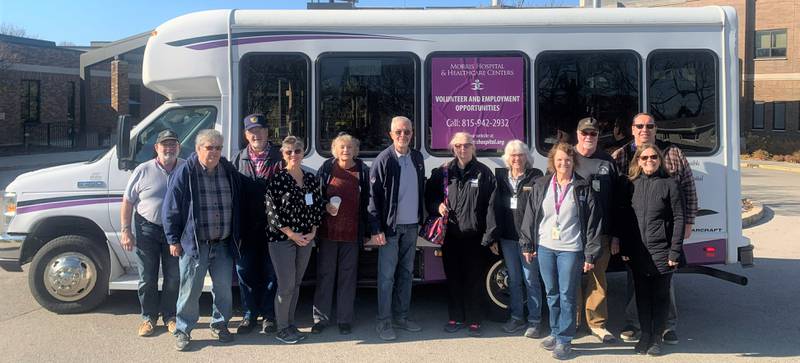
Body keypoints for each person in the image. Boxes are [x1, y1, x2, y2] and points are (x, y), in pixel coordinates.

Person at [612, 112, 697, 345]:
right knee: (634, 278)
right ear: (632, 129)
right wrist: (617, 235)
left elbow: (689, 188)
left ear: (656, 129)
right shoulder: (620, 156)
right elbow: (616, 200)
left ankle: (667, 326)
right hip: (636, 234)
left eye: (649, 126)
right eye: (639, 125)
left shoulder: (673, 154)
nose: (644, 130)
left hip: (665, 234)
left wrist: (688, 222)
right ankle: (634, 323)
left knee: (665, 281)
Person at [520, 142, 602, 360]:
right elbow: (530, 215)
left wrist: (590, 254)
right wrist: (527, 243)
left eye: (567, 159)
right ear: (553, 162)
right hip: (545, 247)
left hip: (571, 249)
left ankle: (565, 340)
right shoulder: (541, 184)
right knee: (552, 293)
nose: (564, 163)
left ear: (573, 161)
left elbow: (594, 223)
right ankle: (555, 332)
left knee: (567, 295)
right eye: (559, 160)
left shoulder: (583, 187)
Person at [162, 129, 241, 351]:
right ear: (198, 149)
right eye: (209, 147)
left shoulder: (227, 169)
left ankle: (220, 324)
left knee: (224, 289)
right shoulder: (185, 172)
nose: (214, 152)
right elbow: (170, 208)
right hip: (195, 245)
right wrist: (173, 240)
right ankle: (183, 330)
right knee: (190, 290)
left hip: (223, 244)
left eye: (218, 147)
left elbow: (243, 193)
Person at [426, 132, 496, 337]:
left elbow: (491, 207)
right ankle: (455, 317)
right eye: (458, 146)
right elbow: (429, 196)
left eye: (466, 145)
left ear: (473, 148)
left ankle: (475, 320)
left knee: (474, 280)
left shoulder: (484, 173)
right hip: (451, 237)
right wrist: (435, 205)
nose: (462, 149)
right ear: (453, 148)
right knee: (453, 279)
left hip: (476, 237)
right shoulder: (444, 172)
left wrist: (490, 236)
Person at [622, 143, 685, 356]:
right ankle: (645, 335)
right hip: (638, 252)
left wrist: (675, 251)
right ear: (638, 161)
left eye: (653, 158)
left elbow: (678, 219)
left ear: (659, 160)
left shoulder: (670, 184)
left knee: (660, 297)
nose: (649, 161)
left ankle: (657, 337)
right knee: (641, 296)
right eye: (644, 158)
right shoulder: (631, 184)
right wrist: (625, 248)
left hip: (663, 252)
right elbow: (626, 221)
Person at [367, 116, 426, 341]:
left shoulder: (418, 158)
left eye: (407, 132)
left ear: (412, 134)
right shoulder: (383, 160)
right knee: (386, 277)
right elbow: (373, 199)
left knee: (406, 274)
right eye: (399, 132)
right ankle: (383, 322)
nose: (403, 135)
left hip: (411, 227)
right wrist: (376, 228)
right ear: (391, 134)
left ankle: (401, 317)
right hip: (390, 229)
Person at [120, 129, 184, 337]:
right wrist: (126, 231)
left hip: (175, 233)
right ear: (156, 148)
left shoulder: (185, 167)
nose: (169, 148)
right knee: (147, 277)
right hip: (147, 229)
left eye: (173, 144)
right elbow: (128, 201)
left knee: (173, 277)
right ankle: (148, 318)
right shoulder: (143, 169)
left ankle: (170, 316)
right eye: (164, 144)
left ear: (179, 147)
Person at [265, 136, 325, 344]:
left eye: (297, 151)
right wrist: (292, 234)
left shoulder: (310, 179)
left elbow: (317, 207)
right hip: (282, 240)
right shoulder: (278, 179)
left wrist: (313, 231)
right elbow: (272, 212)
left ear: (303, 153)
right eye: (289, 152)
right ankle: (282, 328)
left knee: (297, 283)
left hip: (306, 238)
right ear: (283, 154)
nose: (293, 155)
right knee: (286, 285)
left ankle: (290, 324)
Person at [312, 133, 371, 335]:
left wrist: (369, 230)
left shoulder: (362, 170)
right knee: (325, 276)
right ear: (335, 150)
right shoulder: (327, 169)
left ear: (355, 149)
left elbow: (369, 203)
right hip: (328, 233)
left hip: (352, 234)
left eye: (349, 147)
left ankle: (344, 319)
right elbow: (313, 195)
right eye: (342, 147)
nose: (345, 151)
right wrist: (324, 205)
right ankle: (320, 319)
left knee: (348, 277)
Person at [485, 140, 545, 338]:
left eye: (520, 155)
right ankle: (517, 318)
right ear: (507, 159)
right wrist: (493, 237)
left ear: (526, 157)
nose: (517, 159)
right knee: (514, 280)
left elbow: (538, 209)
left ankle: (535, 321)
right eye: (513, 155)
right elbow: (494, 208)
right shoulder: (501, 178)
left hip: (528, 239)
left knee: (531, 280)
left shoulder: (535, 177)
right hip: (508, 239)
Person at [233, 114, 283, 335]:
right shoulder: (237, 160)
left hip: (274, 228)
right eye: (252, 131)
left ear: (267, 132)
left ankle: (268, 315)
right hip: (246, 228)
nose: (257, 135)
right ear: (246, 135)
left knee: (271, 274)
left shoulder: (281, 157)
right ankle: (249, 314)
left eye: (260, 130)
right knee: (245, 272)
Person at [572, 117, 620, 344]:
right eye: (585, 133)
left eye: (593, 134)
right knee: (570, 279)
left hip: (601, 233)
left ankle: (597, 325)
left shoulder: (607, 161)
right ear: (577, 134)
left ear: (598, 136)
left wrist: (615, 235)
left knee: (597, 279)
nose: (588, 137)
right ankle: (572, 322)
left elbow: (616, 201)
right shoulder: (567, 158)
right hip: (571, 232)